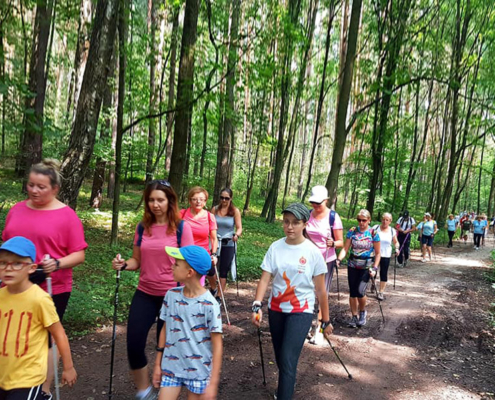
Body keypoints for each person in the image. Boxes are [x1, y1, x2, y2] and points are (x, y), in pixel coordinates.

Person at [1, 159, 87, 399]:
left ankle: (43, 390)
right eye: (31, 185)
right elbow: (7, 245)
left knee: (47, 337)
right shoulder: (16, 209)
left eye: (41, 186)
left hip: (51, 283)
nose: (34, 191)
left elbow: (79, 253)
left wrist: (57, 263)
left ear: (55, 188)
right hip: (13, 282)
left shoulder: (67, 215)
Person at [112, 180, 195, 400]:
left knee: (168, 350)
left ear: (170, 201)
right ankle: (145, 391)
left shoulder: (181, 228)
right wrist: (124, 264)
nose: (155, 204)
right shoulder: (142, 227)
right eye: (151, 200)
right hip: (145, 293)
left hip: (173, 296)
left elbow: (189, 265)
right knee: (134, 343)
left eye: (160, 199)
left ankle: (166, 393)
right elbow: (136, 260)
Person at [251, 203, 333, 400]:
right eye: (286, 222)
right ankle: (288, 381)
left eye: (295, 223)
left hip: (301, 310)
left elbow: (321, 290)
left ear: (305, 224)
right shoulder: (275, 247)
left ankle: (284, 394)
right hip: (276, 308)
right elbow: (265, 278)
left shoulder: (313, 252)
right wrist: (257, 304)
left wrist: (326, 320)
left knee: (288, 358)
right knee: (280, 357)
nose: (290, 227)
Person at [0, 237, 77, 399]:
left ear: (32, 268)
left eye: (16, 263)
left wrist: (68, 367)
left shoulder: (39, 299)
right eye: (2, 263)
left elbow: (59, 334)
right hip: (3, 373)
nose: (8, 269)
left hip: (28, 377)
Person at [152, 245, 223, 400]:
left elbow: (217, 345)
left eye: (176, 264)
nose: (172, 266)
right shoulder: (171, 296)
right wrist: (158, 364)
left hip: (199, 372)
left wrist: (213, 383)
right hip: (171, 367)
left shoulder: (210, 305)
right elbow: (165, 328)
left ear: (190, 272)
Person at [305, 185, 343, 343]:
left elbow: (341, 241)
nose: (315, 205)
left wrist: (333, 243)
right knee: (306, 291)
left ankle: (320, 328)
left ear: (326, 201)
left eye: (318, 203)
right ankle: (305, 324)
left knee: (321, 294)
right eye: (313, 202)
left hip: (326, 260)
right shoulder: (307, 215)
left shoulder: (333, 217)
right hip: (307, 259)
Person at [338, 209, 380, 328]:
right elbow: (345, 248)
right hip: (352, 265)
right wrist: (339, 259)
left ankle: (362, 312)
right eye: (359, 220)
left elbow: (378, 253)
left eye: (364, 220)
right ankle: (354, 316)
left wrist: (375, 267)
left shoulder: (373, 233)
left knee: (360, 291)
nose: (361, 223)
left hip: (366, 267)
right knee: (352, 292)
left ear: (369, 220)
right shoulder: (352, 231)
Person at [180, 187, 218, 293]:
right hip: (184, 256)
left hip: (201, 256)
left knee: (195, 286)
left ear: (205, 201)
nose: (198, 202)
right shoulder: (181, 214)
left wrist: (214, 254)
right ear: (189, 200)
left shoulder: (210, 216)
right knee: (182, 286)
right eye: (195, 199)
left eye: (201, 199)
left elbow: (214, 238)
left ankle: (212, 289)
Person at [211, 188, 243, 298]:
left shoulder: (235, 211)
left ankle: (219, 296)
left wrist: (237, 235)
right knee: (211, 269)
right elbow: (210, 225)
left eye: (226, 198)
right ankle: (213, 288)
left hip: (228, 243)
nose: (224, 200)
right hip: (215, 243)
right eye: (222, 198)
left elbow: (239, 228)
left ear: (231, 198)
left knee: (223, 271)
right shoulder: (214, 209)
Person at [372, 213, 399, 300]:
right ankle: (373, 284)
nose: (384, 221)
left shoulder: (392, 231)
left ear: (390, 221)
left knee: (383, 273)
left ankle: (381, 292)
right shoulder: (375, 228)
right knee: (372, 272)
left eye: (387, 220)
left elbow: (395, 242)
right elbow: (368, 238)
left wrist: (397, 248)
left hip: (386, 254)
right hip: (374, 254)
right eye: (383, 219)